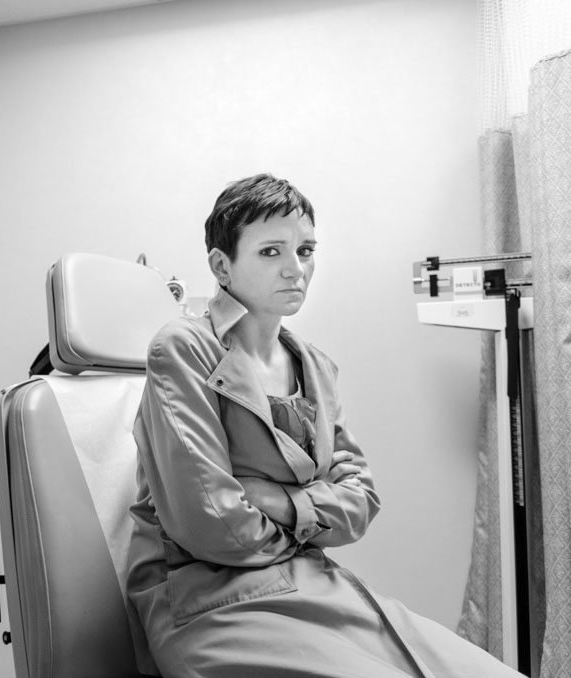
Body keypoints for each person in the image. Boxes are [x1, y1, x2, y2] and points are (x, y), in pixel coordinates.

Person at [125, 174, 522, 677]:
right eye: (272, 252)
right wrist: (312, 518)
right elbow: (212, 527)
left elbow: (361, 500)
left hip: (311, 582)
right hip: (212, 602)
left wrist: (277, 501)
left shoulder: (315, 366)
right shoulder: (182, 349)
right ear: (222, 265)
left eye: (306, 250)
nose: (296, 269)